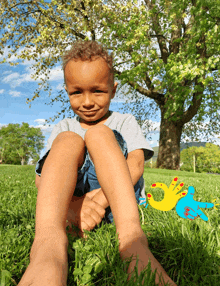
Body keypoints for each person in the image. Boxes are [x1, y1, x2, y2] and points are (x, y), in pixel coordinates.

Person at [18, 40, 176, 286]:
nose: (88, 101)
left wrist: (99, 201)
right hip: (78, 204)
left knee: (99, 134)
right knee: (68, 140)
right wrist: (75, 207)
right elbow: (43, 179)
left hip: (117, 206)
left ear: (113, 90)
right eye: (77, 92)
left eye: (98, 91)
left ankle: (133, 240)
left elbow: (135, 165)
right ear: (67, 91)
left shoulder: (124, 121)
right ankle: (47, 245)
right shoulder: (64, 126)